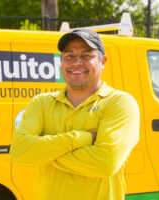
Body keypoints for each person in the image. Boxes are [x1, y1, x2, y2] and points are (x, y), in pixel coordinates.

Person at [10, 29, 140, 200]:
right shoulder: (41, 103)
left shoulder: (119, 103)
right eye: (69, 56)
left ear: (103, 61)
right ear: (61, 62)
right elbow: (19, 152)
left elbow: (106, 164)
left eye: (86, 56)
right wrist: (82, 138)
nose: (76, 62)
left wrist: (44, 153)